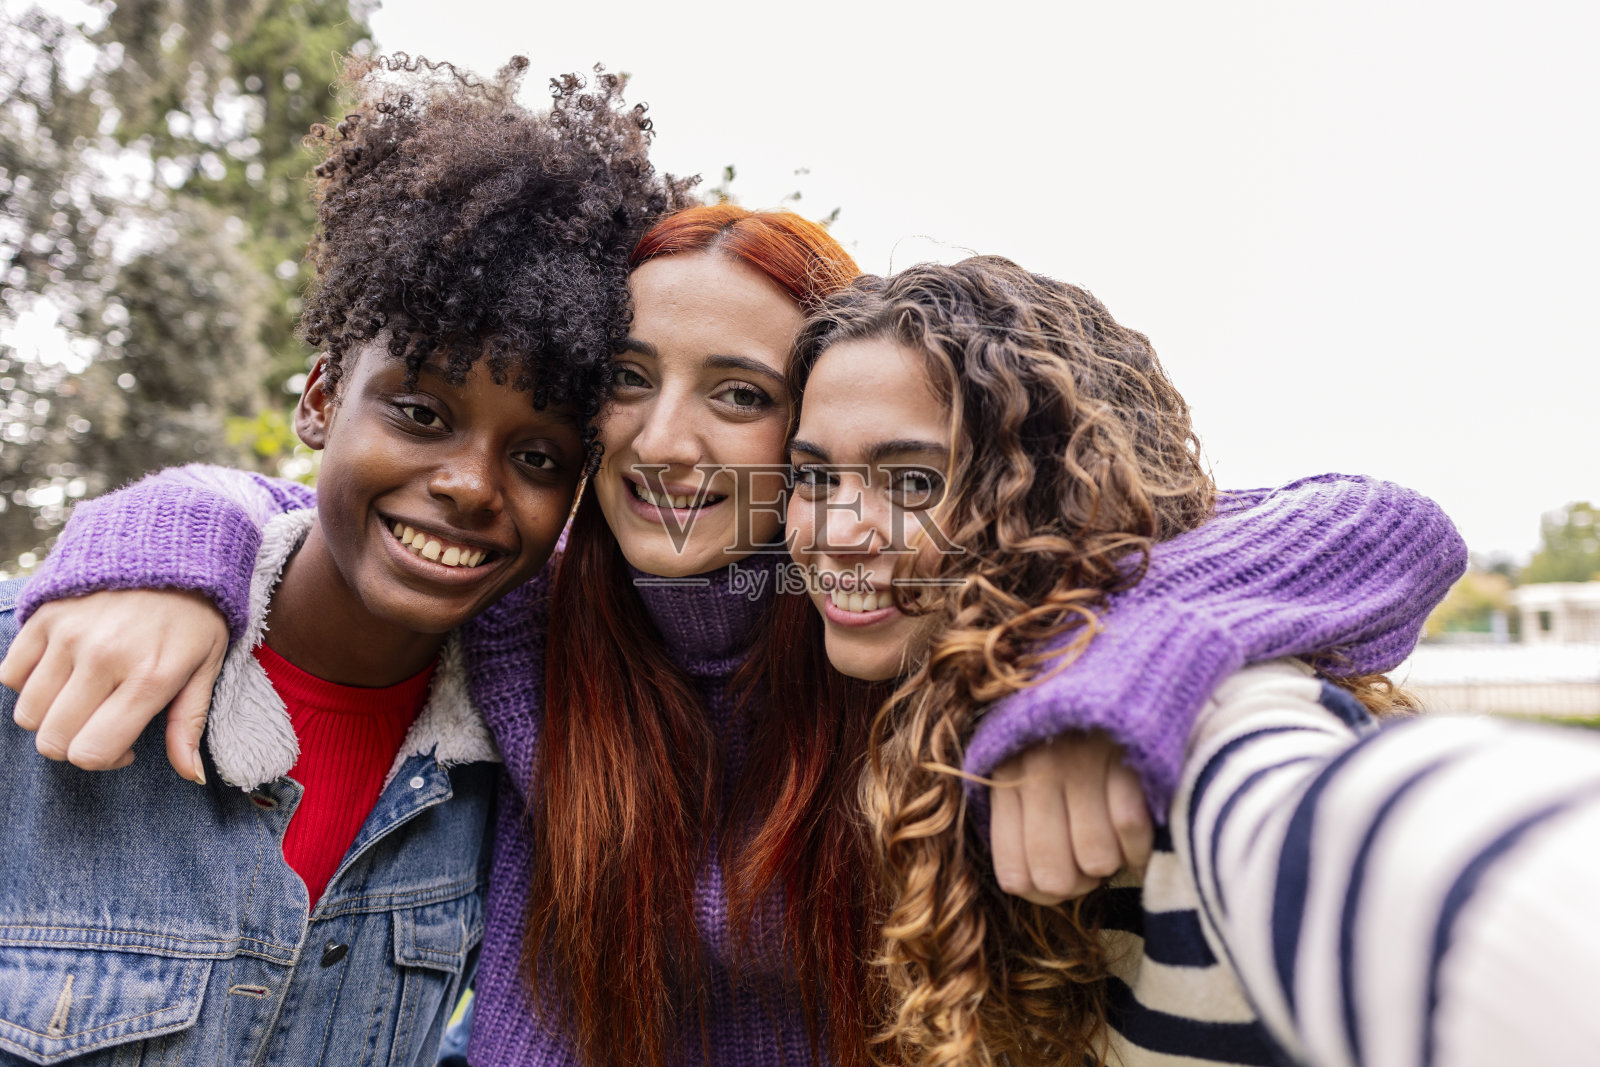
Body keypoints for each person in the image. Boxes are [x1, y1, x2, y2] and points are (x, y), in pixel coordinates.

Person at [4, 226, 1463, 1064]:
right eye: (626, 380)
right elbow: (319, 506)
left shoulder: (871, 610)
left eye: (741, 392)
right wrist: (164, 538)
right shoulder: (537, 609)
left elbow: (1374, 523)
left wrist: (1118, 661)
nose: (662, 437)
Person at [0, 53, 685, 1066]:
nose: (469, 482)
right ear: (320, 399)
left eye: (537, 455)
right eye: (420, 411)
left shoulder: (520, 757)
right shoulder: (48, 663)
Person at [781, 256, 1466, 1065]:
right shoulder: (918, 708)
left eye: (915, 480)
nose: (833, 530)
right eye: (814, 475)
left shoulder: (1209, 727)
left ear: (1054, 491)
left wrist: (1107, 672)